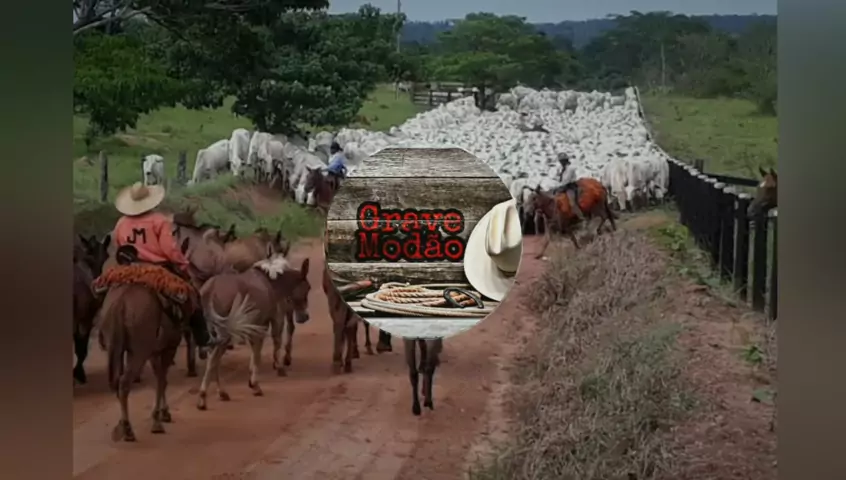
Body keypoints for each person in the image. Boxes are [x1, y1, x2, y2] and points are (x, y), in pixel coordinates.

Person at [554, 152, 585, 221]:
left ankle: (581, 217)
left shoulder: (570, 169)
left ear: (566, 160)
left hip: (570, 187)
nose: (561, 163)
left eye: (562, 161)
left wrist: (559, 187)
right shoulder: (560, 168)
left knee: (572, 203)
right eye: (560, 161)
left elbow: (566, 180)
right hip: (562, 186)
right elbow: (556, 177)